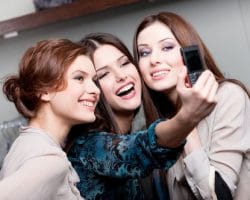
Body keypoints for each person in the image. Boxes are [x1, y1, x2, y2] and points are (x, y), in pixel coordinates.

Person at [67, 33, 218, 200]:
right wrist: (187, 116)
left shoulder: (133, 132)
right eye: (103, 74)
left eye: (124, 63)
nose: (121, 76)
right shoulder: (88, 147)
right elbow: (140, 149)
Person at [133, 11, 250, 200]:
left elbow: (218, 196)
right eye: (144, 52)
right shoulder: (156, 128)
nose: (153, 60)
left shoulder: (228, 96)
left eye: (167, 47)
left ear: (189, 52)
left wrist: (188, 120)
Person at [0, 39, 101, 200]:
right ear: (44, 91)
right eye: (79, 78)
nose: (95, 90)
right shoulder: (49, 161)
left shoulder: (27, 143)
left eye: (94, 80)